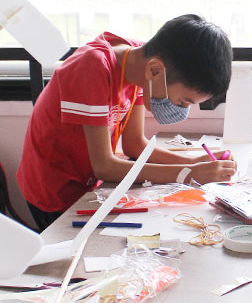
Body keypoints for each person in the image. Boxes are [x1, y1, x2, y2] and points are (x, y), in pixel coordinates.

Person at [17, 14, 236, 231]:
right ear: (155, 71)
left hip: (86, 183)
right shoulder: (92, 68)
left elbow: (135, 145)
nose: (181, 110)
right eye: (182, 101)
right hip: (53, 190)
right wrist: (187, 173)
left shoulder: (142, 64)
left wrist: (194, 162)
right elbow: (104, 166)